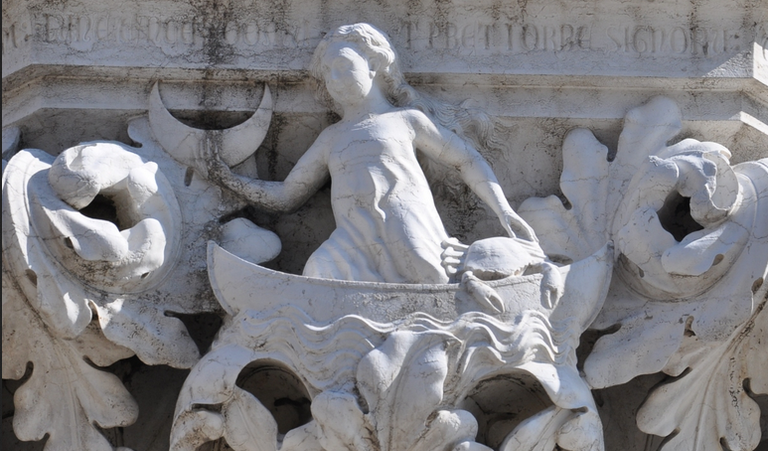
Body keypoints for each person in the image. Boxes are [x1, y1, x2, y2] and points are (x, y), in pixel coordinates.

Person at [204, 23, 537, 284]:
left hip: (404, 225)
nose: (333, 80)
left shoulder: (405, 120)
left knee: (428, 279)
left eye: (342, 67)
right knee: (317, 271)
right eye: (327, 74)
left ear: (374, 63)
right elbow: (288, 196)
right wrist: (229, 180)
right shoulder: (330, 138)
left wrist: (503, 210)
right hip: (352, 238)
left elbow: (467, 159)